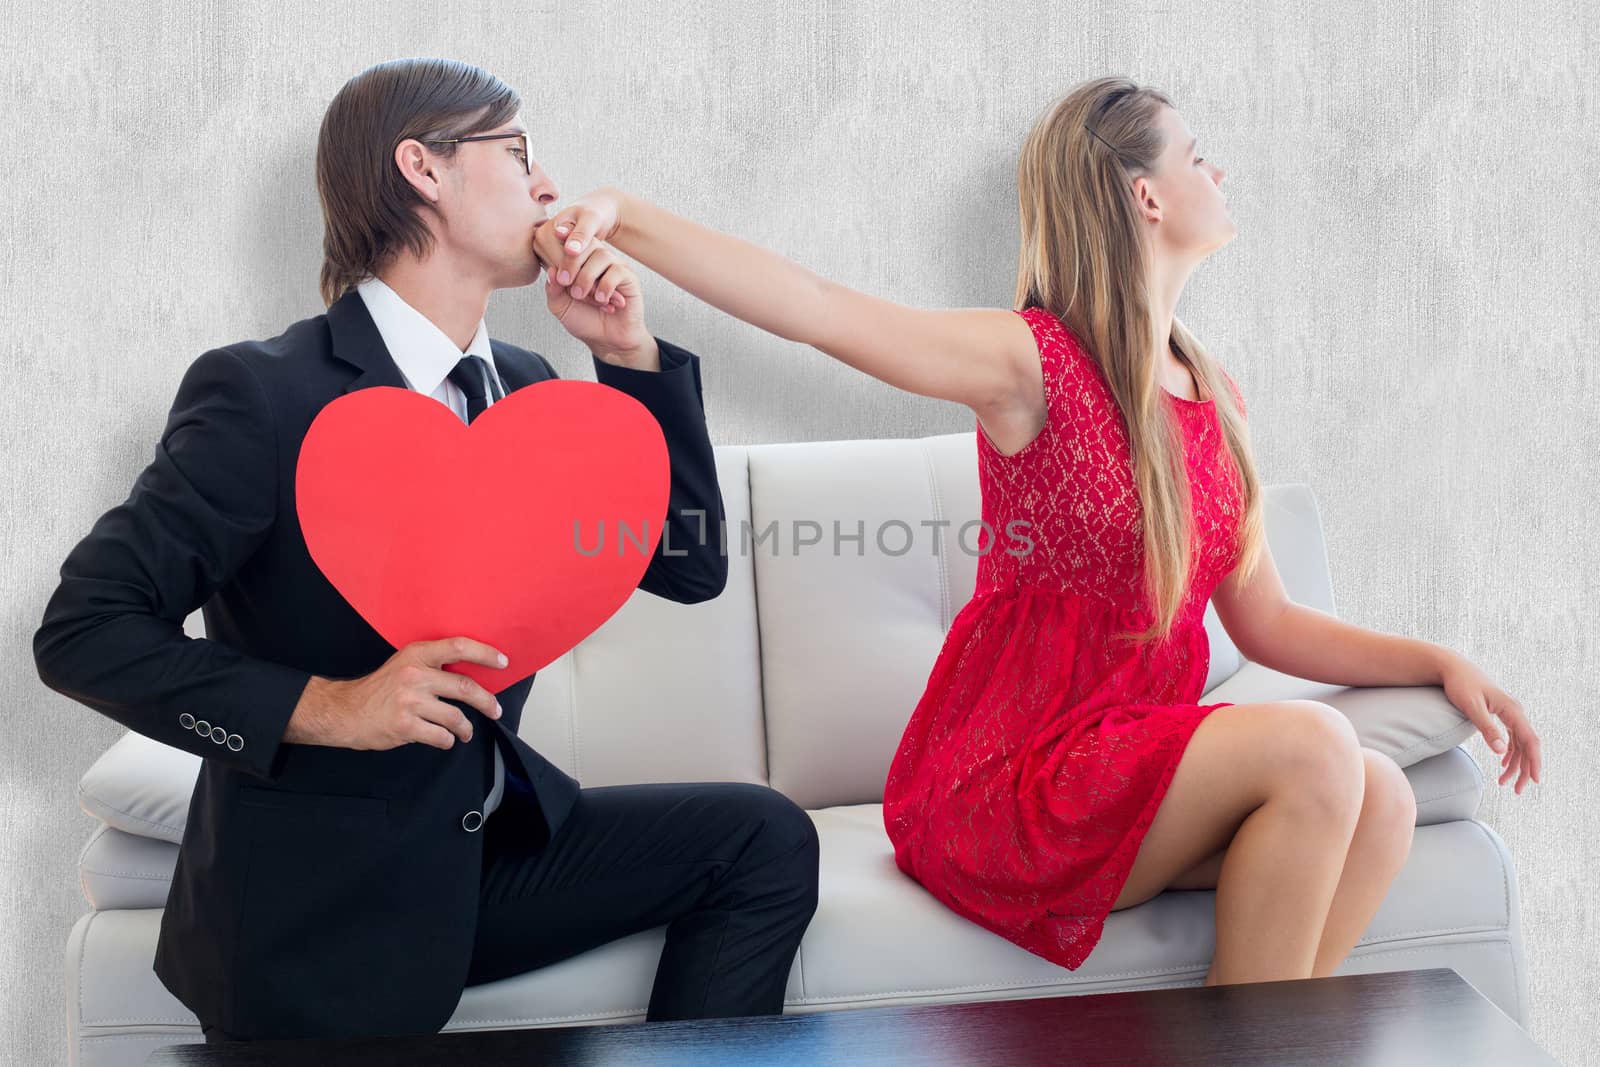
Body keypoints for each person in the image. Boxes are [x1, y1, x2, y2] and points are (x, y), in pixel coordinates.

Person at [532, 75, 1542, 986]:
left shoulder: (1213, 394)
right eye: (1196, 154)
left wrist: (1438, 658)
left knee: (1381, 794)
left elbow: (1267, 616)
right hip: (1012, 782)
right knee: (1324, 750)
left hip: (1135, 776)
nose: (1218, 168)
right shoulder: (1032, 361)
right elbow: (817, 309)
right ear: (1144, 195)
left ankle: (1256, 1046)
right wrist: (630, 217)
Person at [32, 58, 818, 1043]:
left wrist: (629, 361)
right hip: (325, 895)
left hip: (487, 846)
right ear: (422, 167)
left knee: (761, 834)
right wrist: (328, 705)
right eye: (517, 153)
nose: (546, 186)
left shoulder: (529, 389)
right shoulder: (263, 395)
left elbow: (687, 564)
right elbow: (84, 629)